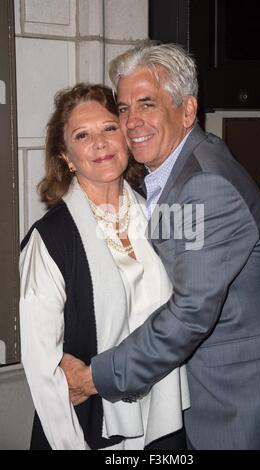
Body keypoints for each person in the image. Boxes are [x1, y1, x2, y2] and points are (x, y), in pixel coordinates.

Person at [60, 42, 260, 450]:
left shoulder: (203, 184)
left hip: (238, 400)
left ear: (187, 111)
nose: (131, 122)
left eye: (147, 104)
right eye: (123, 108)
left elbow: (189, 315)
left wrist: (93, 378)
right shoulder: (168, 174)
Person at [19, 83, 190, 450]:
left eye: (109, 128)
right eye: (82, 135)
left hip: (162, 416)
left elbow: (203, 281)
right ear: (65, 157)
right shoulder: (49, 240)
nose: (99, 142)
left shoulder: (160, 213)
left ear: (127, 138)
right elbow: (44, 369)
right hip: (90, 426)